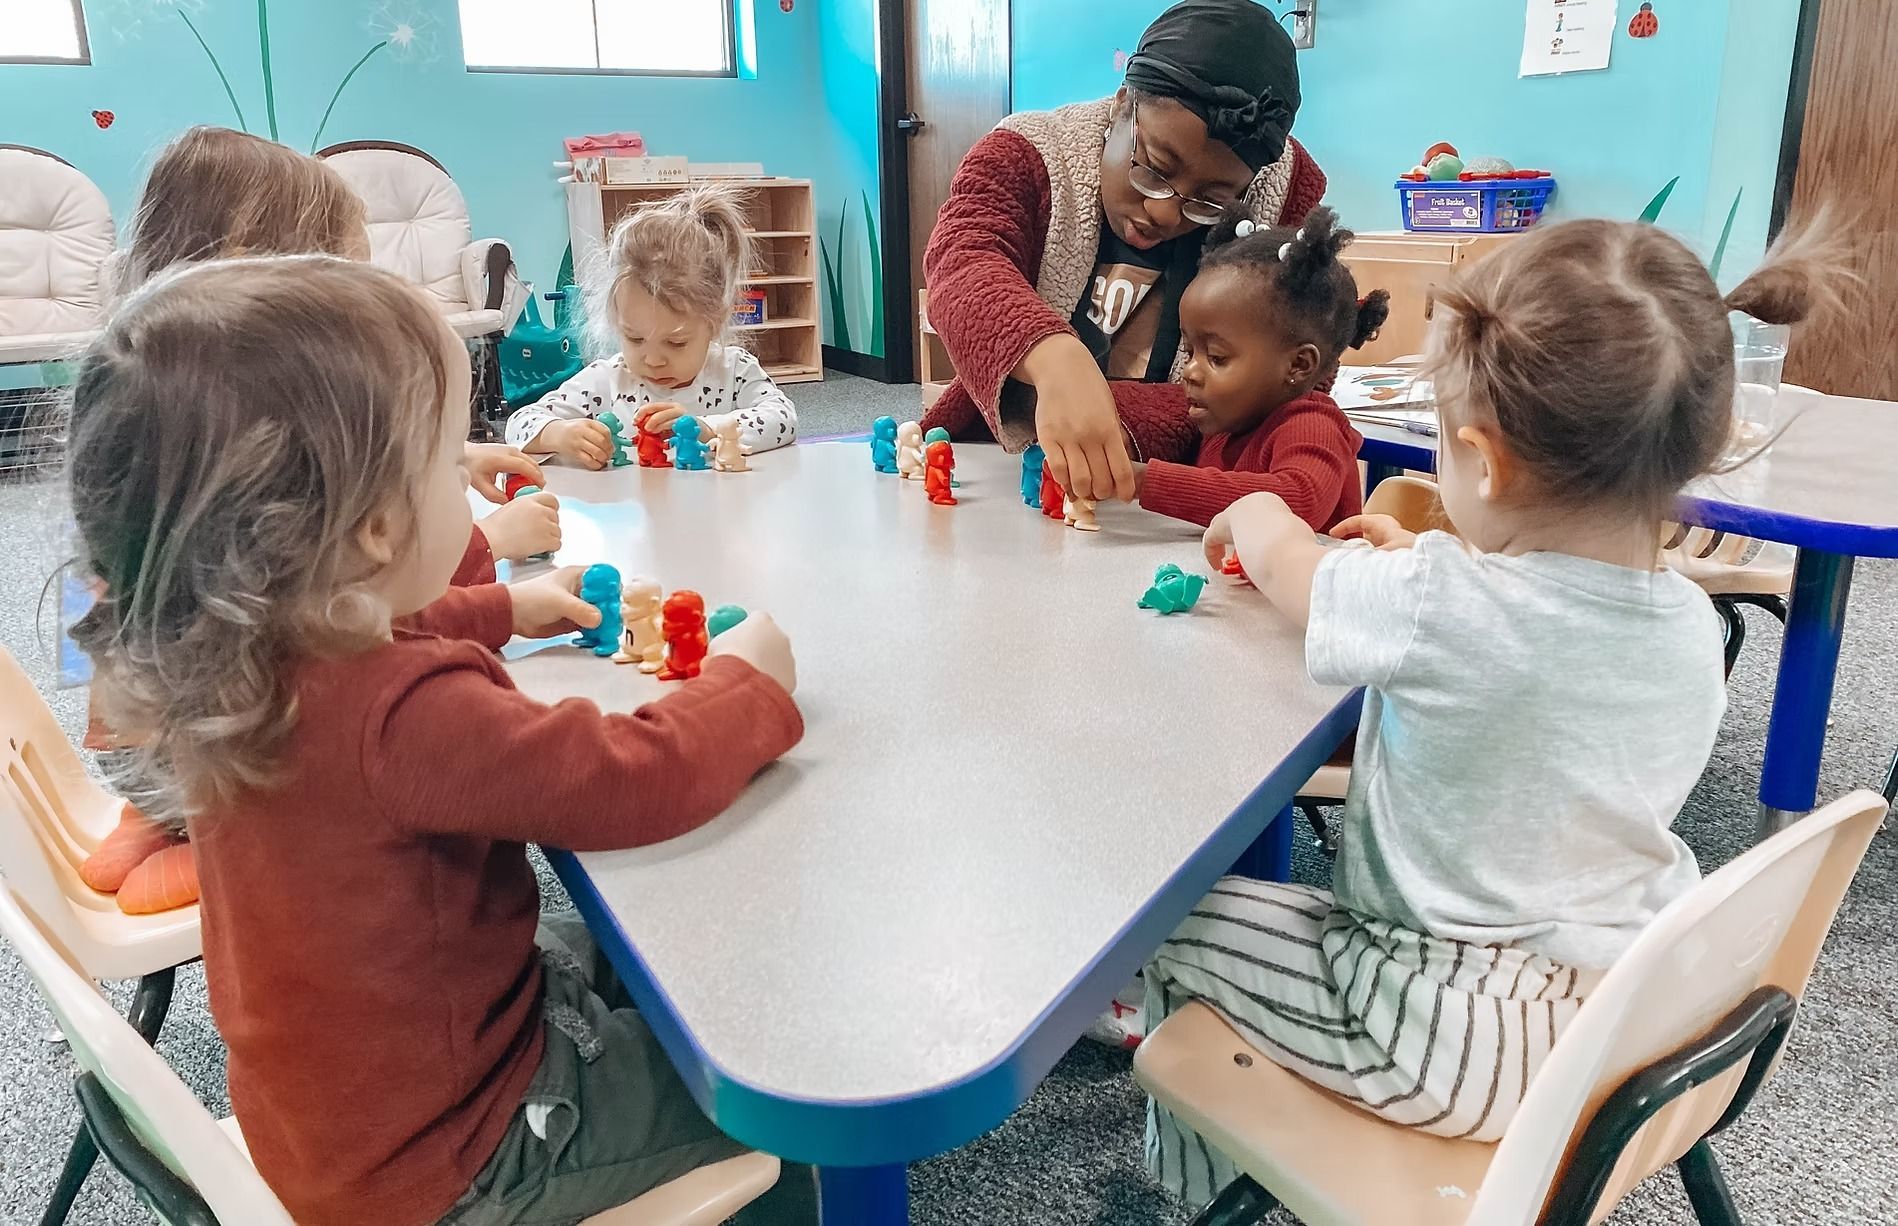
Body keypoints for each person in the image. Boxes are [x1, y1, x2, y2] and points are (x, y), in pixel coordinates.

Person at [66, 255, 817, 1226]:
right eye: (445, 461)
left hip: (332, 1121)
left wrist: (506, 602)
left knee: (607, 947)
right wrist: (744, 687)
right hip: (458, 1151)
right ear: (379, 527)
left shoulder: (231, 646)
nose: (464, 486)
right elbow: (630, 779)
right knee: (766, 1081)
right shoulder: (405, 709)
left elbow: (366, 630)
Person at [1143, 216, 1843, 1208]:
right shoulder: (1692, 624)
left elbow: (1295, 571)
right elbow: (1538, 633)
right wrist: (1431, 570)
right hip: (1618, 1025)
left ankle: (1204, 1188)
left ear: (1484, 460)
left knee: (1170, 920)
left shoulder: (1435, 602)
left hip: (1429, 1033)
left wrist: (1262, 514)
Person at [79, 126, 554, 915]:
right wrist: (489, 543)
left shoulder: (165, 394)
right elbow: (335, 604)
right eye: (350, 274)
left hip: (139, 731)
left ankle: (155, 819)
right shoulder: (229, 423)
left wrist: (446, 455)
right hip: (210, 757)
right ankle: (218, 837)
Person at [920, 0, 1327, 505]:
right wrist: (1052, 359)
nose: (1163, 213)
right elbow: (962, 260)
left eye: (1210, 201)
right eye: (1154, 168)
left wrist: (1106, 408)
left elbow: (1296, 374)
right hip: (1004, 482)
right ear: (1120, 106)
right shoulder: (1026, 155)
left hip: (1184, 502)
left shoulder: (1284, 197)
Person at [1134, 205, 1388, 530]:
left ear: (1298, 364)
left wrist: (1145, 481)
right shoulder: (1227, 421)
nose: (1190, 372)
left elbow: (1296, 502)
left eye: (1216, 357)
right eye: (1189, 352)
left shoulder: (1313, 427)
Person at [507, 184, 798, 465]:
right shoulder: (607, 379)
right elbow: (520, 423)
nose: (653, 360)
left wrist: (708, 428)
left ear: (714, 321)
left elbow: (783, 419)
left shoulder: (733, 370)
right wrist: (559, 434)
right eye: (634, 339)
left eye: (676, 342)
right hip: (638, 512)